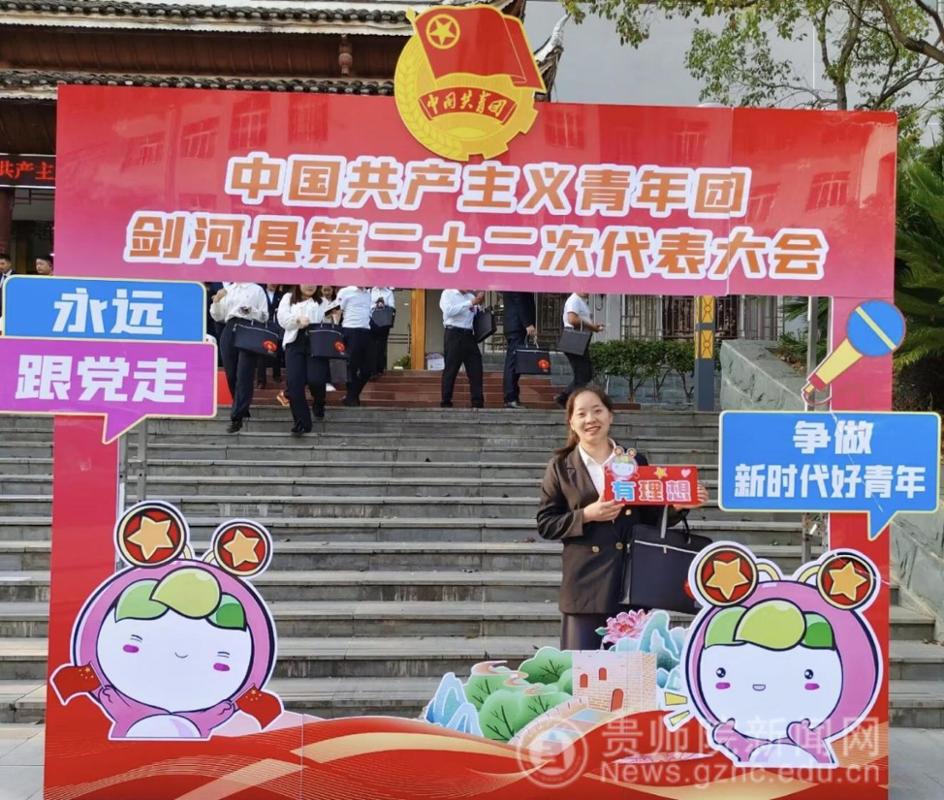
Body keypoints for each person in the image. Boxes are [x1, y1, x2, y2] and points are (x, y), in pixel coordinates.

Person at [536, 386, 706, 651]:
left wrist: (677, 507)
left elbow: (651, 518)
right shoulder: (560, 467)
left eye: (597, 411)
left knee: (632, 670)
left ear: (610, 415)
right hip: (584, 589)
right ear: (571, 422)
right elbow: (546, 524)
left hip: (631, 585)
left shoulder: (635, 461)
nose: (590, 419)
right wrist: (587, 514)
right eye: (581, 414)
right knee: (584, 670)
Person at [210, 282, 269, 433]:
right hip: (229, 328)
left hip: (249, 329)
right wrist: (216, 301)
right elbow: (218, 316)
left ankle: (237, 417)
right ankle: (241, 406)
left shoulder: (257, 289)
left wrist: (251, 311)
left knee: (244, 373)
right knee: (231, 373)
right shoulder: (228, 289)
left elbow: (265, 316)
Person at [277, 284, 330, 433]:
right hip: (294, 342)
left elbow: (328, 323)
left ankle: (319, 402)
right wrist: (297, 320)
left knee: (316, 379)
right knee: (295, 384)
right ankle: (302, 423)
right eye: (306, 282)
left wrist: (335, 317)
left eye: (313, 283)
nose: (310, 286)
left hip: (316, 344)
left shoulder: (323, 302)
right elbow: (282, 319)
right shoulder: (288, 298)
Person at [554, 292, 603, 408]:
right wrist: (591, 326)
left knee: (584, 374)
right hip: (574, 340)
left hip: (580, 341)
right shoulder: (574, 299)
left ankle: (566, 397)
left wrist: (592, 326)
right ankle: (565, 398)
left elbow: (581, 320)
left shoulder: (581, 301)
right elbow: (572, 319)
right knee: (583, 374)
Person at [439, 289, 485, 409]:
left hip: (469, 334)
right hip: (453, 333)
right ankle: (446, 401)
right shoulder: (448, 293)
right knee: (451, 369)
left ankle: (477, 402)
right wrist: (470, 303)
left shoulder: (470, 296)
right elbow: (449, 311)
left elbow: (476, 314)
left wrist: (479, 302)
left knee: (476, 368)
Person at [337, 286, 373, 406]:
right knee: (352, 366)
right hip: (350, 330)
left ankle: (352, 395)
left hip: (366, 331)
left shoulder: (369, 294)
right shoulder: (346, 291)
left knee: (368, 369)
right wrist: (337, 329)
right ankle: (352, 397)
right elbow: (336, 310)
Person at [501, 291, 536, 409]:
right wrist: (528, 324)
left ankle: (512, 397)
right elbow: (520, 302)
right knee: (513, 362)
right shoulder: (516, 284)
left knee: (514, 362)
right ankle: (510, 398)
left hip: (515, 326)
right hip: (517, 326)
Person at [256, 284, 284, 389]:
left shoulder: (281, 295)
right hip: (263, 326)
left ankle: (277, 375)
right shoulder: (260, 293)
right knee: (262, 354)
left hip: (277, 327)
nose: (273, 283)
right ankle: (261, 380)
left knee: (277, 352)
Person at [369, 287, 395, 379]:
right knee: (371, 346)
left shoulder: (389, 292)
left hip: (384, 321)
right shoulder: (370, 291)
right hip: (371, 321)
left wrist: (383, 305)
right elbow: (366, 306)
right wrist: (375, 306)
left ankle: (379, 368)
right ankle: (372, 370)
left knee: (381, 346)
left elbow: (392, 307)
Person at [0, 252, 13, 323]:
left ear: (9, 264)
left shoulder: (15, 277)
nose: (0, 266)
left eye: (2, 264)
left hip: (9, 311)